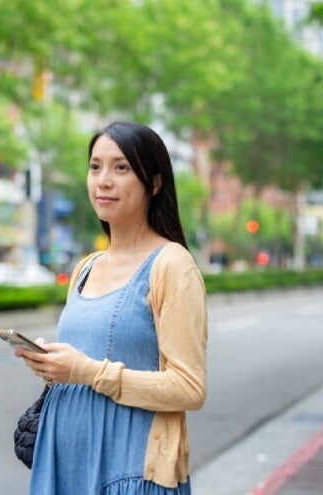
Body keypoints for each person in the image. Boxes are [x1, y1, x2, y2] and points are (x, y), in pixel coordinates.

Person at [15, 121, 207, 495]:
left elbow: (190, 388)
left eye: (121, 168)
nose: (103, 180)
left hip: (130, 471)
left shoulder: (171, 265)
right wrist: (54, 365)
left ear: (154, 183)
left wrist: (88, 371)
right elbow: (91, 360)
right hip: (63, 466)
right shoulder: (86, 267)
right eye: (95, 166)